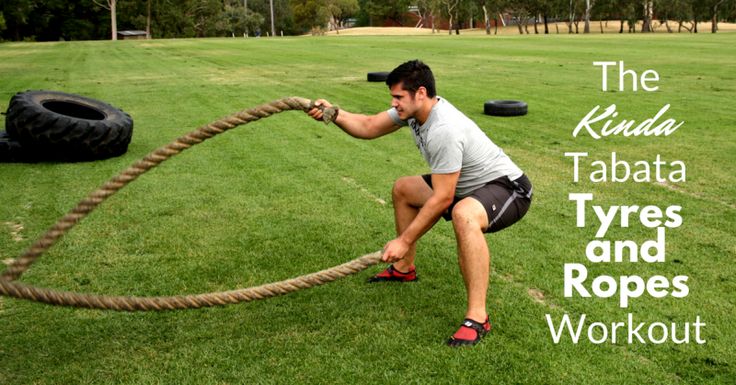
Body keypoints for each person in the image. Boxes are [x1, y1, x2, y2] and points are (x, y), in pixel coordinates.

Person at [307, 60, 532, 347]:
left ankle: (478, 317)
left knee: (464, 215)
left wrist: (404, 238)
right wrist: (334, 113)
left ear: (420, 93)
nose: (394, 103)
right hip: (466, 186)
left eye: (399, 97)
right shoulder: (415, 112)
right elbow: (368, 125)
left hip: (508, 188)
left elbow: (443, 199)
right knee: (404, 189)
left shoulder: (444, 129)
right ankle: (404, 268)